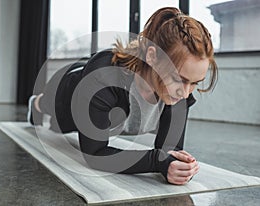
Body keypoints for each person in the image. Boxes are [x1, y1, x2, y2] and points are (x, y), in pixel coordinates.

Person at [27, 7, 217, 185]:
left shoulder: (180, 94)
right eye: (179, 79)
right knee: (47, 107)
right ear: (152, 57)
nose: (184, 93)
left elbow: (169, 151)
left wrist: (177, 166)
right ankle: (35, 103)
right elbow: (95, 154)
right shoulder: (102, 80)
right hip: (67, 88)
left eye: (194, 83)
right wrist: (155, 161)